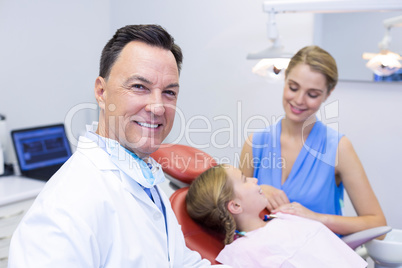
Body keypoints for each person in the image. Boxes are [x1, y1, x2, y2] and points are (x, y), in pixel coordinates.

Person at [8, 24, 228, 267]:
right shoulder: (65, 207)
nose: (157, 107)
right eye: (139, 87)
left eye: (169, 92)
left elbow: (181, 263)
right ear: (101, 92)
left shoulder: (147, 183)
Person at [240, 45, 386, 236]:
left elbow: (378, 225)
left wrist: (317, 218)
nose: (299, 100)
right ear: (285, 79)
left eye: (312, 94)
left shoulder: (338, 148)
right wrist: (256, 191)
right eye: (293, 87)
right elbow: (230, 210)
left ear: (328, 94)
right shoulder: (255, 144)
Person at [186, 164, 367, 268]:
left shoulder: (284, 216)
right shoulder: (241, 252)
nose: (254, 179)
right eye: (244, 179)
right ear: (235, 205)